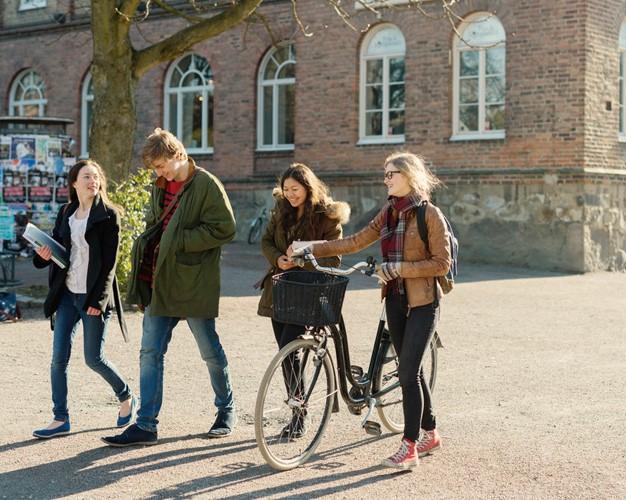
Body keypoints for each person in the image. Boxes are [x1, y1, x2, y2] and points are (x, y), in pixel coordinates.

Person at [287, 152, 451, 470]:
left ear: (409, 175)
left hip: (423, 302)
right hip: (394, 299)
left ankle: (409, 446)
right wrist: (310, 247)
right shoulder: (388, 213)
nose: (386, 179)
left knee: (407, 373)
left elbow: (441, 263)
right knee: (411, 371)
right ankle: (431, 433)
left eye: (391, 174)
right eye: (385, 174)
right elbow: (354, 241)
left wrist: (399, 268)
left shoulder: (429, 215)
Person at [102, 128, 237, 447]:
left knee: (209, 351)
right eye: (155, 168)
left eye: (161, 166)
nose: (158, 173)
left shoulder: (206, 184)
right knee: (149, 353)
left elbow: (225, 228)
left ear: (178, 155)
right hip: (160, 282)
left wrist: (180, 241)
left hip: (193, 282)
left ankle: (226, 411)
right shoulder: (160, 185)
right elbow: (156, 225)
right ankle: (146, 425)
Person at [32, 159, 134, 439]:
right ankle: (60, 418)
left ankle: (126, 395)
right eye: (87, 176)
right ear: (74, 183)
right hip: (67, 294)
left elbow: (109, 265)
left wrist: (98, 302)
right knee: (58, 359)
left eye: (96, 176)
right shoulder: (66, 213)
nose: (93, 181)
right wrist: (42, 256)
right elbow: (57, 250)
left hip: (92, 298)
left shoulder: (109, 215)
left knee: (93, 358)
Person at [256, 163, 349, 438]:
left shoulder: (327, 216)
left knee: (289, 347)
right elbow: (266, 241)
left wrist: (301, 258)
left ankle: (299, 414)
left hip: (309, 293)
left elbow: (334, 257)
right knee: (287, 355)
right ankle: (299, 410)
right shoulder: (281, 210)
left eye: (295, 189)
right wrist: (278, 259)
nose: (290, 195)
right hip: (281, 290)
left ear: (308, 188)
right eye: (286, 189)